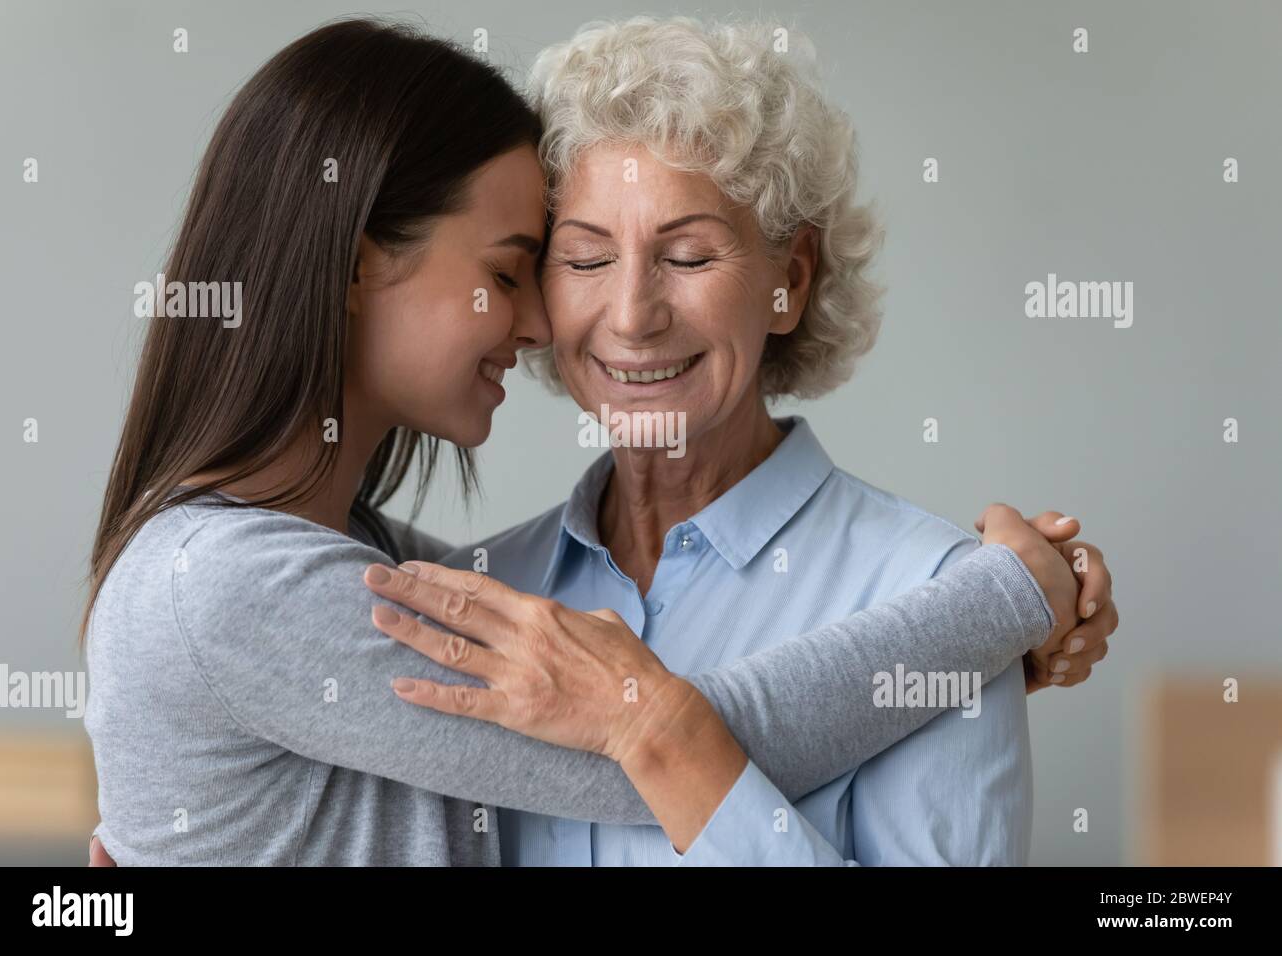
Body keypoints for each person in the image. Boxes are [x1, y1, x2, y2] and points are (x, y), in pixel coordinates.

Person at [84, 19, 1114, 867]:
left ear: (790, 275)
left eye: (690, 253)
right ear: (360, 268)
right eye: (564, 260)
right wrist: (1004, 605)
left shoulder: (917, 586)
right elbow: (667, 741)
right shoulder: (432, 588)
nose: (622, 314)